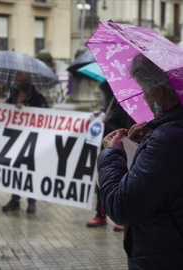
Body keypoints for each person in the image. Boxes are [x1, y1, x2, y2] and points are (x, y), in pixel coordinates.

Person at [97, 53, 183, 269]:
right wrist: (140, 147)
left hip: (163, 256)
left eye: (145, 92)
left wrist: (112, 154)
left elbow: (122, 207)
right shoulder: (169, 134)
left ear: (161, 93)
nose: (144, 98)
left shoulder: (167, 139)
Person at [86, 81, 135, 231]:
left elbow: (123, 128)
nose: (101, 95)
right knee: (102, 182)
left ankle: (122, 216)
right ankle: (100, 214)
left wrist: (106, 123)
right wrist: (100, 115)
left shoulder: (121, 105)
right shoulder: (110, 104)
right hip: (106, 151)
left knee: (120, 181)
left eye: (102, 91)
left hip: (120, 151)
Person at [2, 72, 48, 214]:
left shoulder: (38, 98)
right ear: (16, 82)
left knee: (29, 171)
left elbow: (46, 115)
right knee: (14, 170)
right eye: (21, 80)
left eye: (26, 80)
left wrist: (26, 108)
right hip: (14, 138)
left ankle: (31, 201)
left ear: (31, 81)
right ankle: (15, 199)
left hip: (32, 140)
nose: (23, 83)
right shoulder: (12, 96)